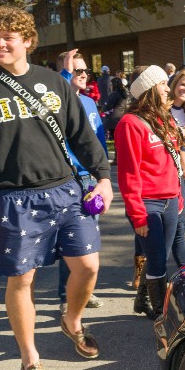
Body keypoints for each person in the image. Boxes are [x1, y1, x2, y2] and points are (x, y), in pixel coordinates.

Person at [0, 6, 112, 370]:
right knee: (22, 280)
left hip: (66, 191)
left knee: (88, 266)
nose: (0, 44)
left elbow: (82, 136)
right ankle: (30, 358)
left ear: (28, 41)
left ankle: (72, 320)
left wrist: (103, 178)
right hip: (13, 200)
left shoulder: (53, 82)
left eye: (8, 37)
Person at [115, 65, 185, 319]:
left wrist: (178, 197)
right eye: (163, 84)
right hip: (147, 204)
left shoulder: (164, 118)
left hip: (171, 200)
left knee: (160, 258)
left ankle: (142, 300)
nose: (168, 89)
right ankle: (161, 315)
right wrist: (137, 215)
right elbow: (128, 174)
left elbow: (172, 163)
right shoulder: (129, 124)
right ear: (150, 88)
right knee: (156, 261)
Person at [55, 49, 109, 313]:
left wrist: (103, 175)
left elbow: (98, 141)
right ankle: (67, 296)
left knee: (88, 237)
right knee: (70, 239)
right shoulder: (55, 102)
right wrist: (64, 76)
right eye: (78, 71)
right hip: (66, 178)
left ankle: (84, 290)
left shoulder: (88, 102)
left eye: (86, 70)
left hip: (89, 178)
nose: (85, 75)